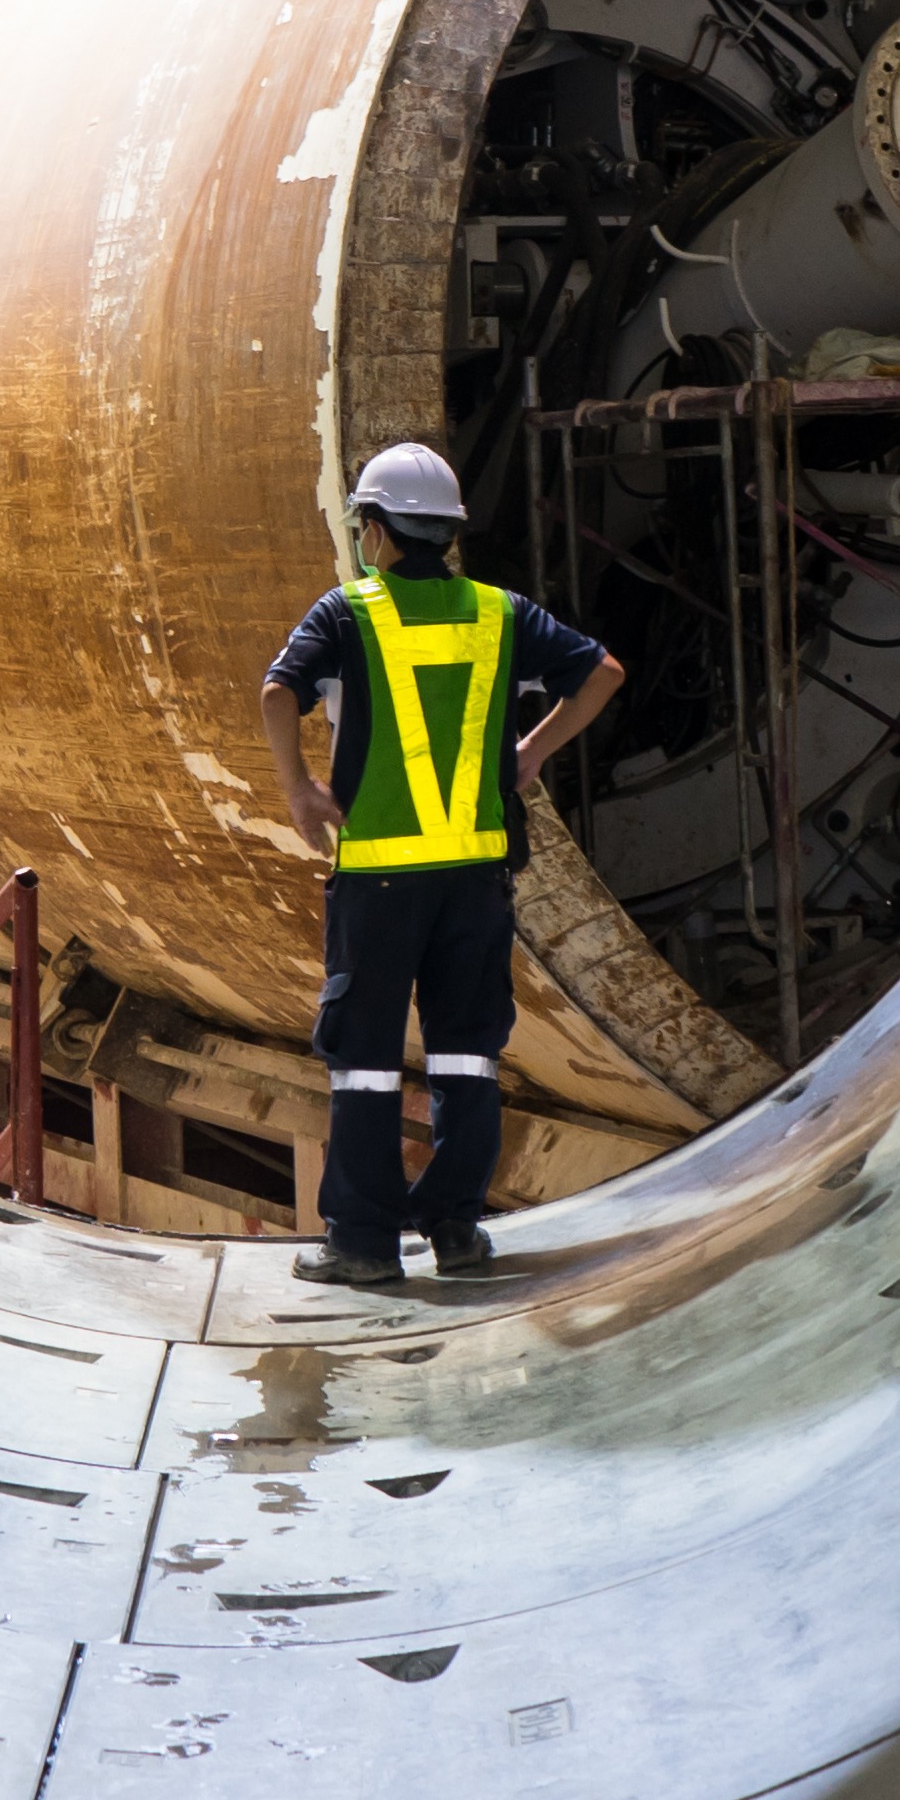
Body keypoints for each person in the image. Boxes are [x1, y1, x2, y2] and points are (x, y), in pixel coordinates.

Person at [255, 441, 627, 1286]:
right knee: (468, 1054)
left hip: (380, 880)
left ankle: (363, 1244)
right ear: (448, 533)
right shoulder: (501, 613)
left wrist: (301, 790)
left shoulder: (346, 612)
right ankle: (456, 1229)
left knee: (366, 1059)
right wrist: (532, 750)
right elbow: (603, 671)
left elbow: (280, 691)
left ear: (377, 531)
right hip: (475, 880)